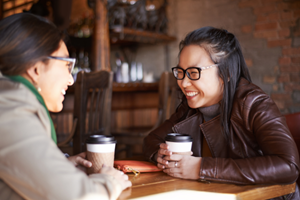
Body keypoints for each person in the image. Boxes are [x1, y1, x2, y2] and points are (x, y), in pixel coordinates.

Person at [143, 26, 300, 199]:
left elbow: (288, 166)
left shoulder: (254, 103)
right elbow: (151, 139)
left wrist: (200, 168)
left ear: (226, 73)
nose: (184, 83)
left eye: (194, 72)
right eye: (180, 72)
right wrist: (161, 154)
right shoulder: (190, 107)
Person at [0, 13, 131, 200]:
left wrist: (59, 166)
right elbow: (78, 197)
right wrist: (109, 182)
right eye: (66, 65)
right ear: (35, 68)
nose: (70, 80)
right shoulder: (11, 112)